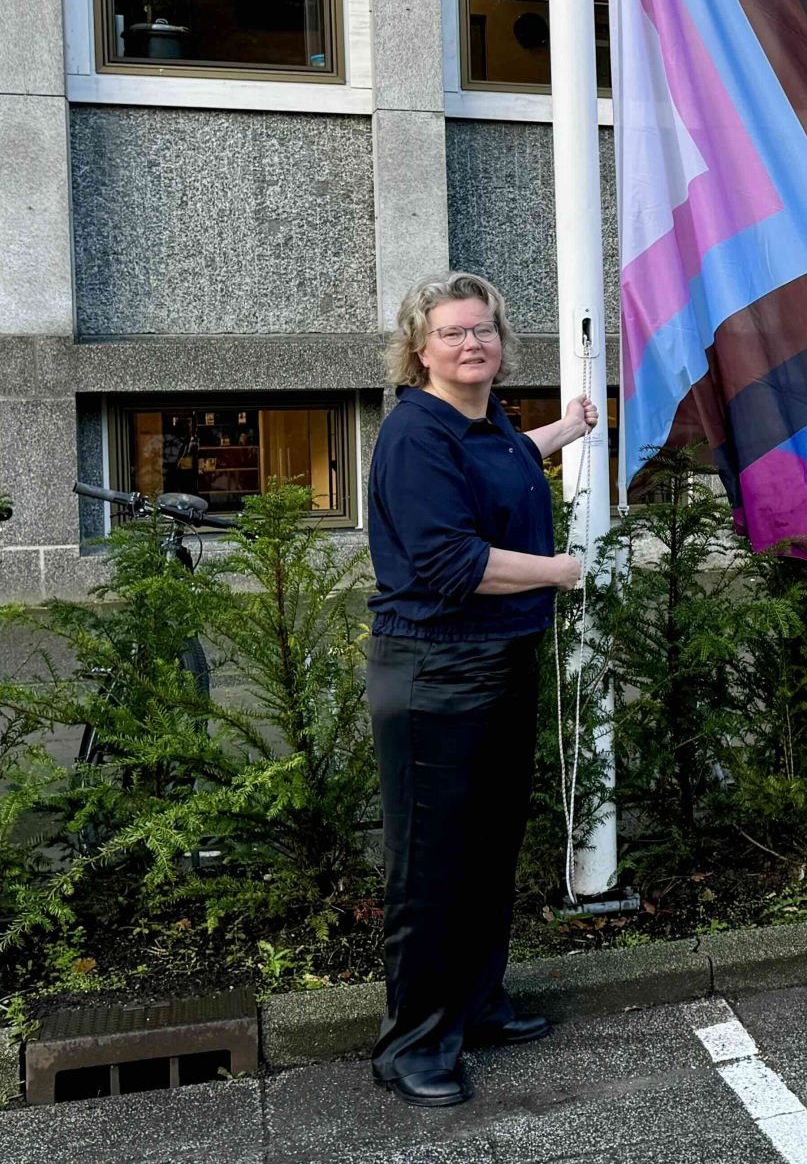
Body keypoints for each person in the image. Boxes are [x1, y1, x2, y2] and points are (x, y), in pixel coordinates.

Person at [364, 272, 598, 1108]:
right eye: (454, 333)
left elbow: (501, 461)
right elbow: (450, 563)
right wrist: (566, 571)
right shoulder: (413, 435)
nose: (472, 344)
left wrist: (565, 430)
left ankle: (476, 1006)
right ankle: (413, 1045)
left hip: (499, 661)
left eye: (485, 331)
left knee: (489, 849)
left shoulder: (484, 422)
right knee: (432, 868)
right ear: (419, 348)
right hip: (435, 674)